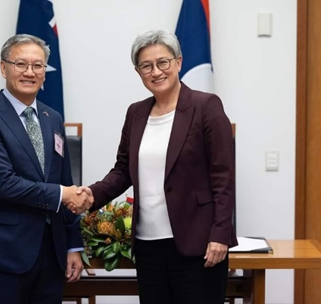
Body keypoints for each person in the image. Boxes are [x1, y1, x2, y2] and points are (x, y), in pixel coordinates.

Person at [76, 29, 237, 304]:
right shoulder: (136, 113)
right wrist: (90, 195)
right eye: (146, 66)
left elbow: (223, 177)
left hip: (197, 243)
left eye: (163, 62)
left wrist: (221, 234)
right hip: (148, 245)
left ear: (178, 62)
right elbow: (123, 170)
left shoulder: (206, 106)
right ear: (138, 72)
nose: (156, 72)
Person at [0, 34, 91, 304]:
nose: (29, 72)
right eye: (20, 64)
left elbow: (66, 180)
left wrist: (73, 245)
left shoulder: (52, 117)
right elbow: (3, 183)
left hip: (53, 251)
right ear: (3, 68)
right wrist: (62, 194)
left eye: (38, 66)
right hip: (8, 251)